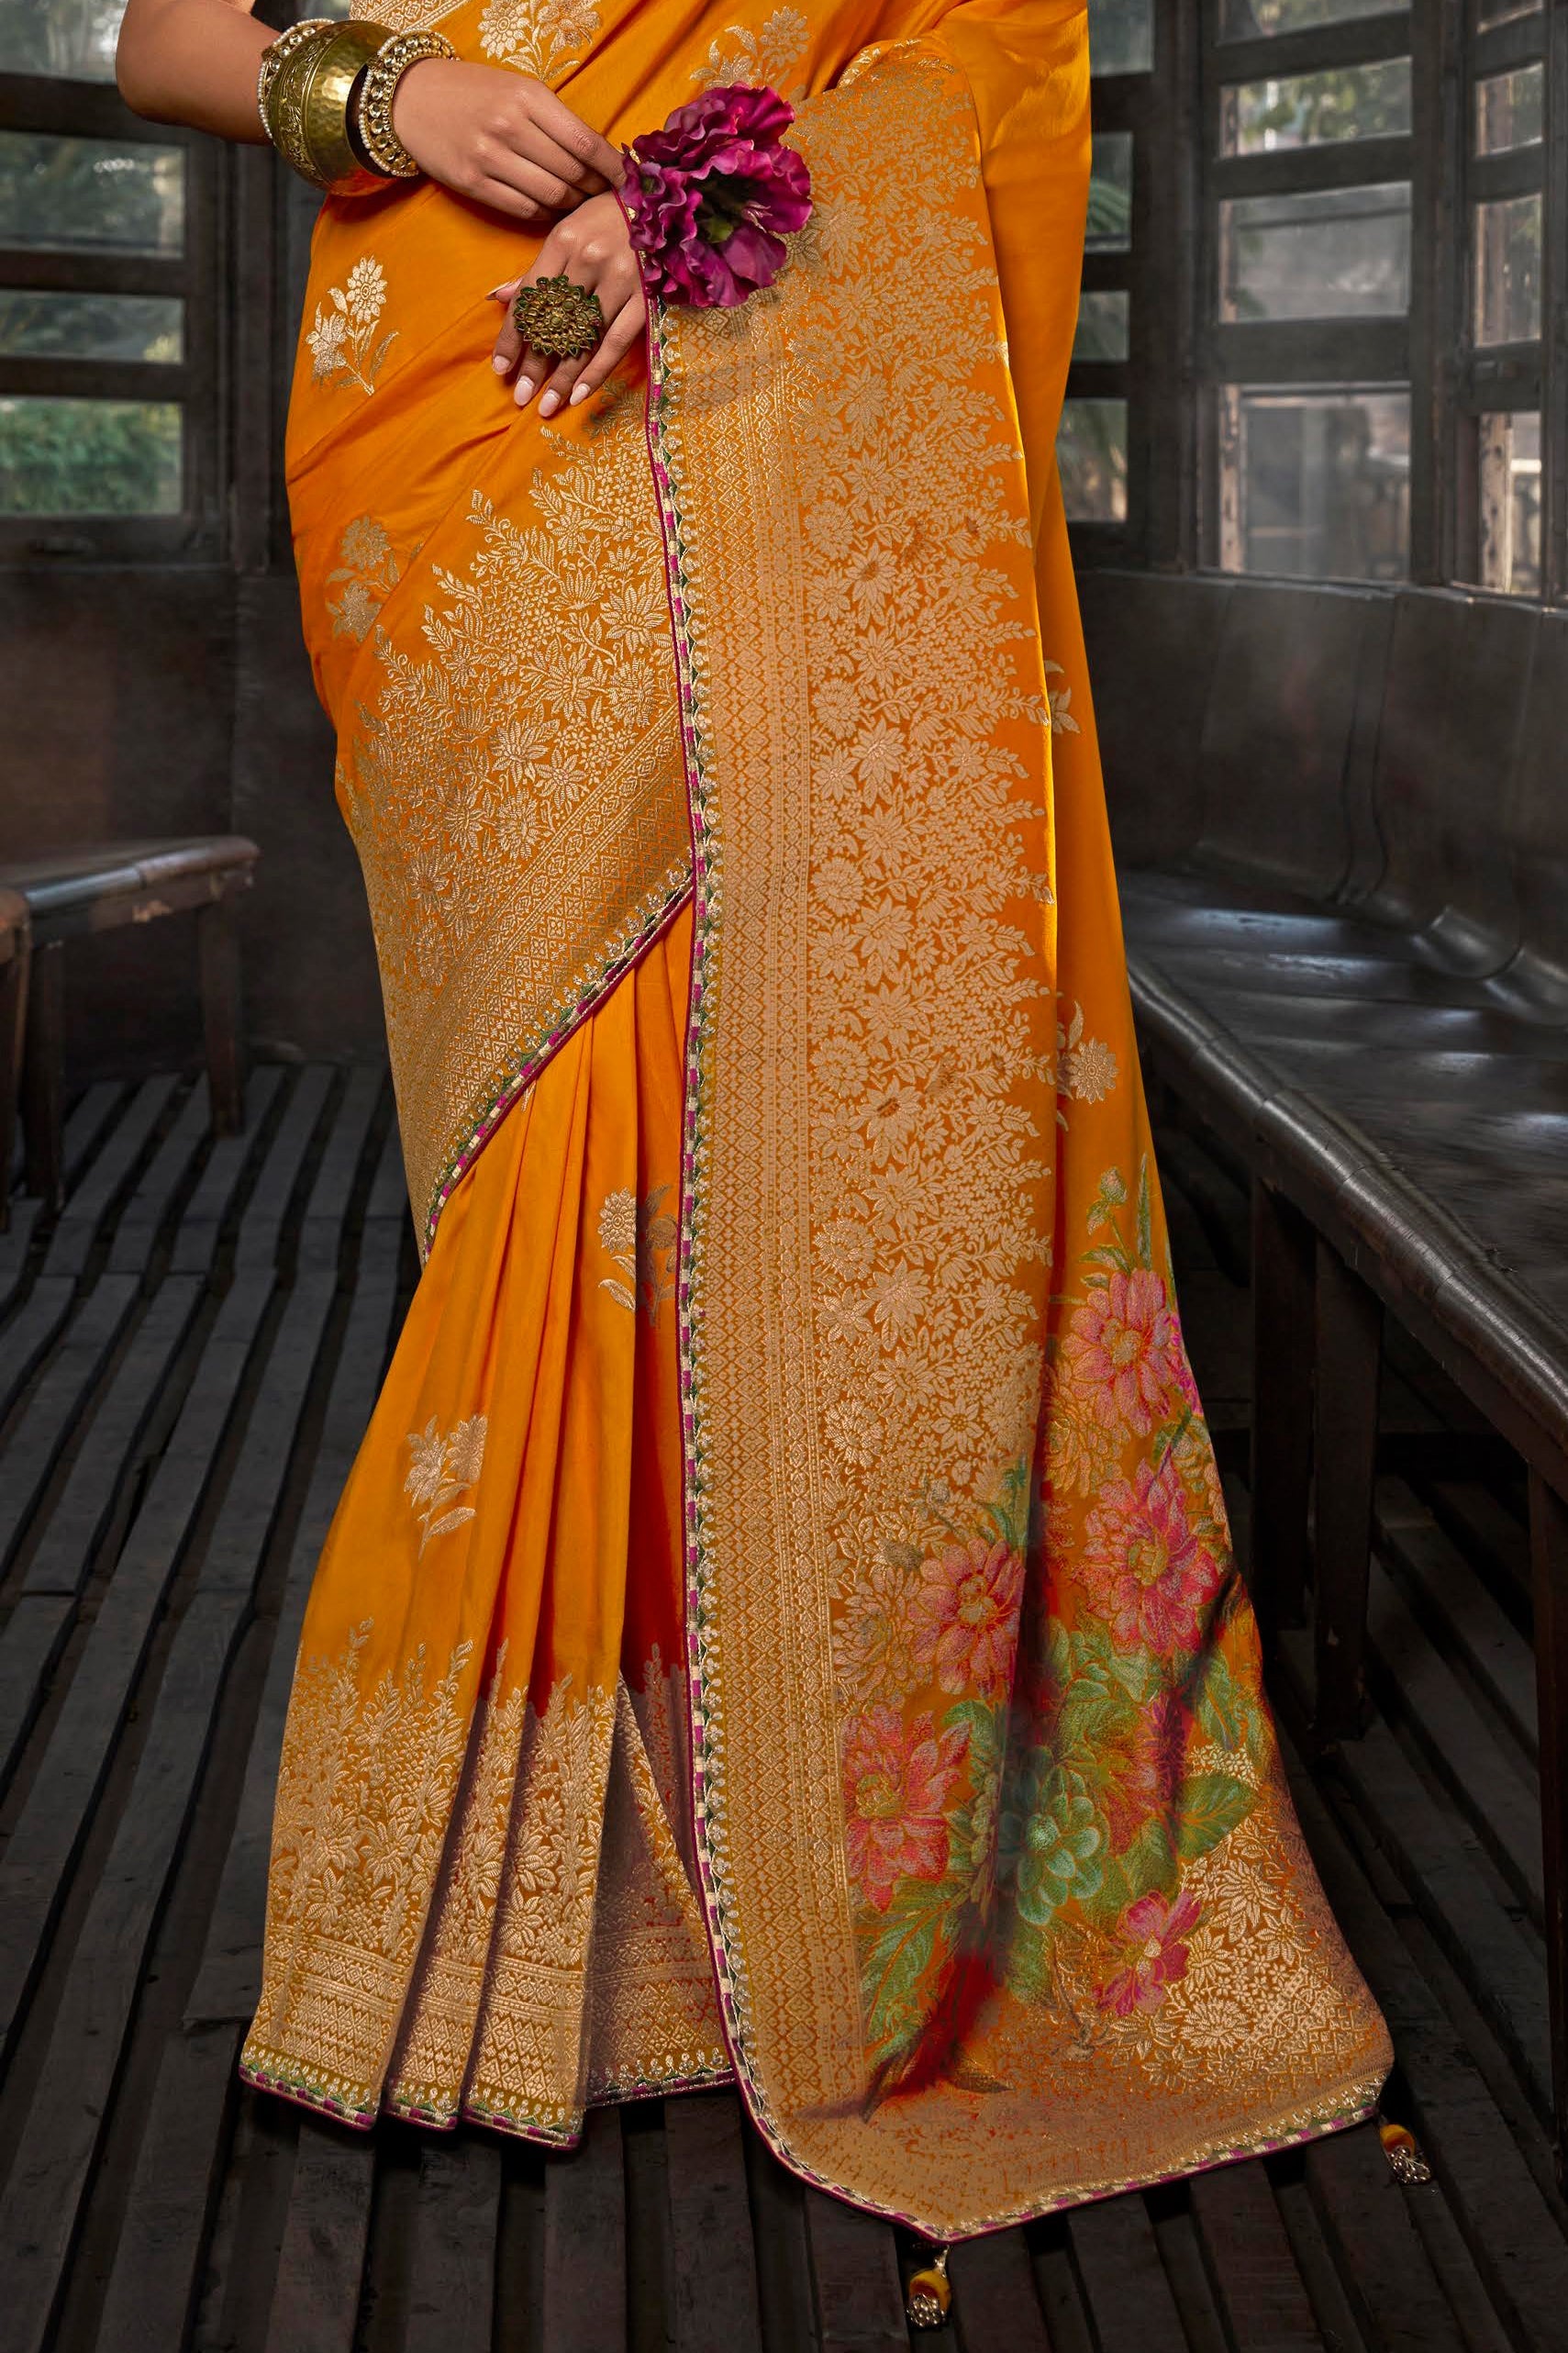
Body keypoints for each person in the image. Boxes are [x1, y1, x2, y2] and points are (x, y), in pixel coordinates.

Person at [117, 0, 1390, 2265]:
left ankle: (748, 1865)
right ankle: (563, 1871)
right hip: (446, 421)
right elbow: (153, 34)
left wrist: (692, 201)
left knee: (704, 1078)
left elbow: (975, 59)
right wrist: (391, 93)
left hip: (741, 360)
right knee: (544, 1111)